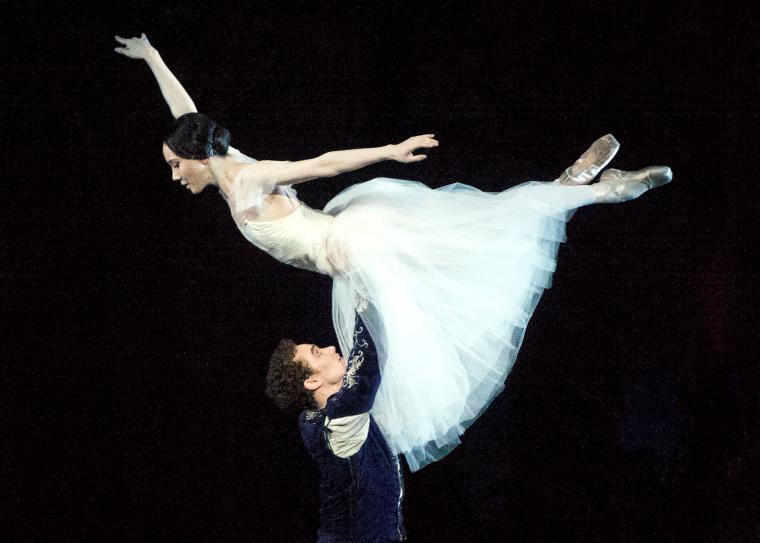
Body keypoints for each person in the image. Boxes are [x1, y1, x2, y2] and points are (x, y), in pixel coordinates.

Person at [115, 34, 673, 470]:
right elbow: (184, 116)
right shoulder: (226, 160)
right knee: (478, 245)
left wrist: (390, 149)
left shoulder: (245, 182)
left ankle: (594, 189)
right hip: (355, 252)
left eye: (173, 165)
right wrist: (154, 58)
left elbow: (322, 163)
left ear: (195, 158)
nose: (173, 175)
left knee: (478, 253)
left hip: (358, 248)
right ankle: (574, 188)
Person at [266, 312, 406, 542]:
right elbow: (369, 353)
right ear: (312, 381)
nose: (331, 347)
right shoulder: (340, 420)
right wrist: (365, 283)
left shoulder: (314, 418)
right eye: (317, 353)